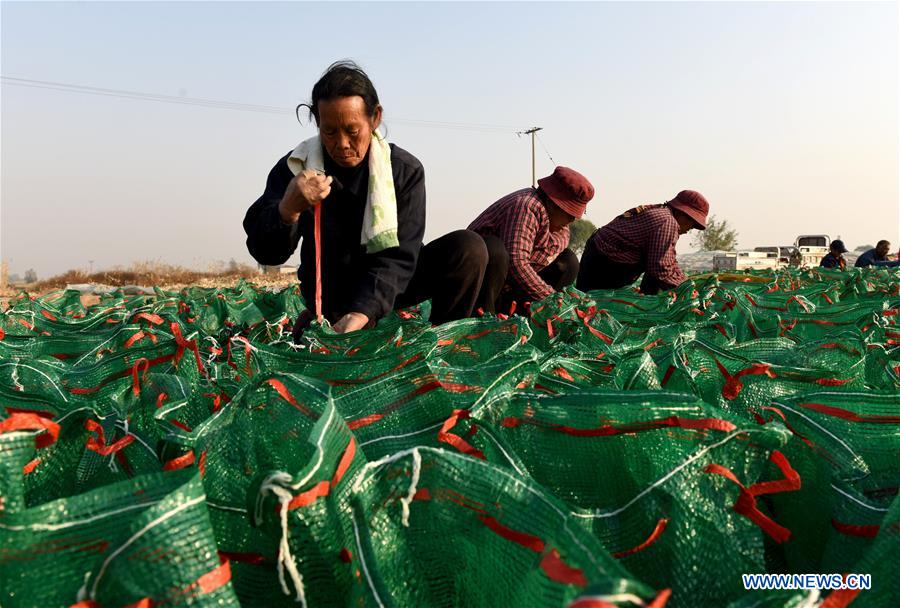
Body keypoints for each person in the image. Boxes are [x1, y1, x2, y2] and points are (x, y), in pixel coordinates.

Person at [244, 61, 488, 337]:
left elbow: (399, 257)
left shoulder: (403, 170)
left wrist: (362, 311)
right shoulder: (297, 169)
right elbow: (266, 253)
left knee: (469, 248)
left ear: (375, 118)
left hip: (392, 283)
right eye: (329, 132)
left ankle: (442, 343)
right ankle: (327, 318)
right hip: (333, 293)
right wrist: (287, 210)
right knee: (334, 339)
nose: (342, 144)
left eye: (352, 131)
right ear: (318, 122)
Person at [468, 167, 594, 314]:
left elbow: (544, 258)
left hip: (511, 284)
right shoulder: (527, 206)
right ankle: (485, 318)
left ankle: (534, 317)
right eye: (569, 213)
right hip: (484, 281)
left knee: (568, 261)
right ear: (553, 203)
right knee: (495, 250)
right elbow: (516, 262)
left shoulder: (559, 226)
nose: (572, 220)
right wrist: (553, 299)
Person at [576, 190, 709, 294]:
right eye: (692, 224)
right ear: (683, 214)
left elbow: (668, 261)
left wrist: (684, 281)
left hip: (598, 255)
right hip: (603, 265)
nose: (690, 229)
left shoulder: (662, 213)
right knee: (592, 305)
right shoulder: (667, 222)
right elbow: (661, 268)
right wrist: (686, 290)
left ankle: (647, 303)